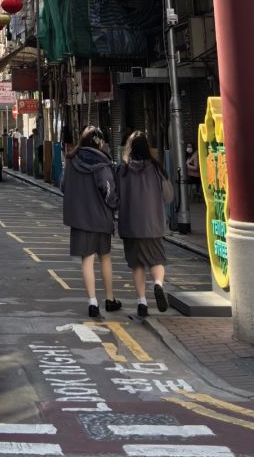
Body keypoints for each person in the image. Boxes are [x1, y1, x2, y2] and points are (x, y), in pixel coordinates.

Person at [62, 126, 121, 319]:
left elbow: (63, 185)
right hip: (101, 218)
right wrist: (114, 205)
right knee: (105, 257)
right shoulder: (102, 163)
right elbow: (108, 189)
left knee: (87, 260)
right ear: (101, 143)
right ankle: (110, 299)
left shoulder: (71, 160)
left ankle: (92, 302)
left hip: (80, 219)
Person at [116, 131, 174, 318]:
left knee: (137, 265)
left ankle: (141, 302)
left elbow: (115, 198)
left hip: (130, 226)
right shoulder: (156, 169)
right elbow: (168, 196)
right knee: (156, 260)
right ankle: (158, 284)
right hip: (152, 225)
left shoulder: (122, 170)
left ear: (130, 149)